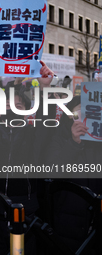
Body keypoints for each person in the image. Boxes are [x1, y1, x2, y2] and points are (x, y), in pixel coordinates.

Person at [0, 56, 56, 254]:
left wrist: (45, 87)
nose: (11, 110)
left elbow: (47, 119)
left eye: (18, 107)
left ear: (28, 112)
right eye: (7, 106)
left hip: (26, 213)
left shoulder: (33, 135)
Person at [45, 96, 102, 252]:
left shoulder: (98, 142)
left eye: (88, 110)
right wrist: (73, 143)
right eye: (79, 109)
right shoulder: (59, 138)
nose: (83, 114)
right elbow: (52, 172)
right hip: (67, 222)